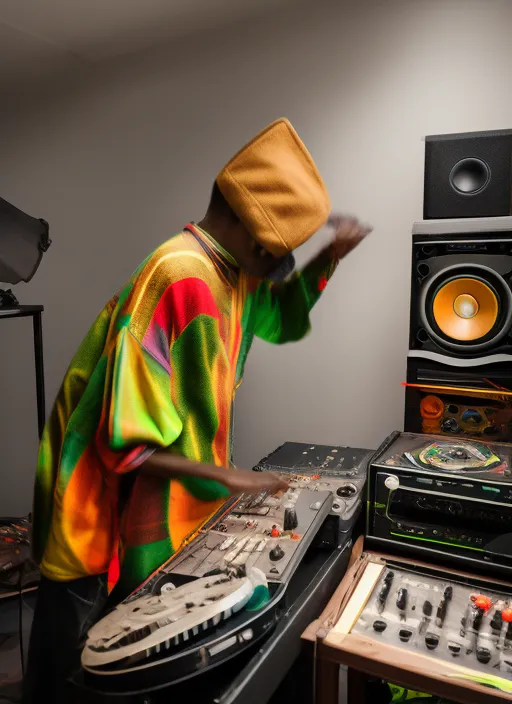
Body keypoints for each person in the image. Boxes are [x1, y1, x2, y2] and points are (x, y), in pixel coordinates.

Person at [23, 118, 371, 702]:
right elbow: (126, 447)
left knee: (126, 655)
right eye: (276, 256)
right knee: (77, 663)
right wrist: (231, 478)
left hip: (155, 496)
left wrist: (329, 258)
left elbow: (279, 316)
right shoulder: (180, 273)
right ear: (254, 238)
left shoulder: (231, 274)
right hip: (92, 505)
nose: (274, 269)